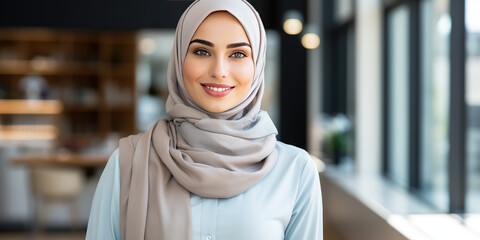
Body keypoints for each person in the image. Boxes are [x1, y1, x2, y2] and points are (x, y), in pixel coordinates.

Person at [86, 0, 322, 239]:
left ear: (257, 64)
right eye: (202, 51)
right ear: (179, 59)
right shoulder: (128, 163)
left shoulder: (296, 171)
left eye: (238, 54)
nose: (219, 70)